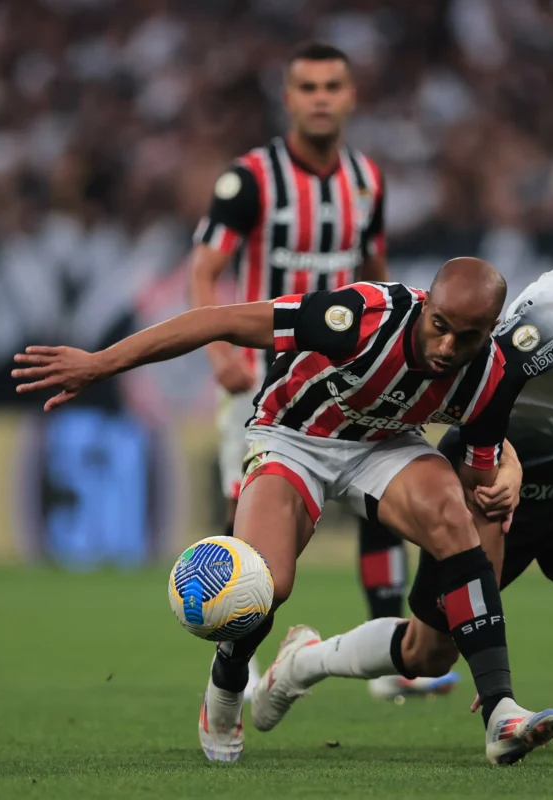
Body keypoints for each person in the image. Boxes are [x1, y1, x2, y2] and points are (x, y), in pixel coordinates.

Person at [11, 257, 553, 766]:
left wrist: (478, 612)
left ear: (490, 332)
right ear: (426, 306)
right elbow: (216, 320)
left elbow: (479, 484)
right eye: (439, 325)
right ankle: (225, 689)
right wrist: (100, 363)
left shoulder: (492, 374)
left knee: (459, 517)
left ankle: (500, 710)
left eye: (466, 337)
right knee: (264, 582)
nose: (446, 347)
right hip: (293, 436)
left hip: (384, 445)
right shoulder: (361, 317)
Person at [253, 169, 553, 754]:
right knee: (427, 652)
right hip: (488, 481)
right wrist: (504, 471)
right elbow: (483, 396)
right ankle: (302, 663)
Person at [188, 41, 445, 702]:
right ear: (289, 98)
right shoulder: (249, 179)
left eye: (334, 85)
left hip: (352, 377)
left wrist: (398, 357)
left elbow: (376, 273)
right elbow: (205, 270)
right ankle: (234, 653)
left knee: (385, 506)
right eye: (309, 87)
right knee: (244, 512)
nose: (322, 97)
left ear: (351, 96)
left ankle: (389, 663)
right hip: (264, 382)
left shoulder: (367, 180)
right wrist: (219, 352)